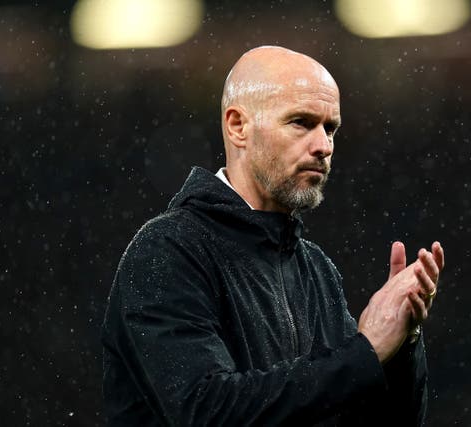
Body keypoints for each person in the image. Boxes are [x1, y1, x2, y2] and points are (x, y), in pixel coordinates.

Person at [102, 45, 445, 426]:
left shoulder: (315, 268)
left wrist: (400, 344)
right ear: (238, 126)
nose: (323, 146)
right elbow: (208, 411)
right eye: (301, 122)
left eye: (330, 128)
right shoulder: (167, 250)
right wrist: (365, 351)